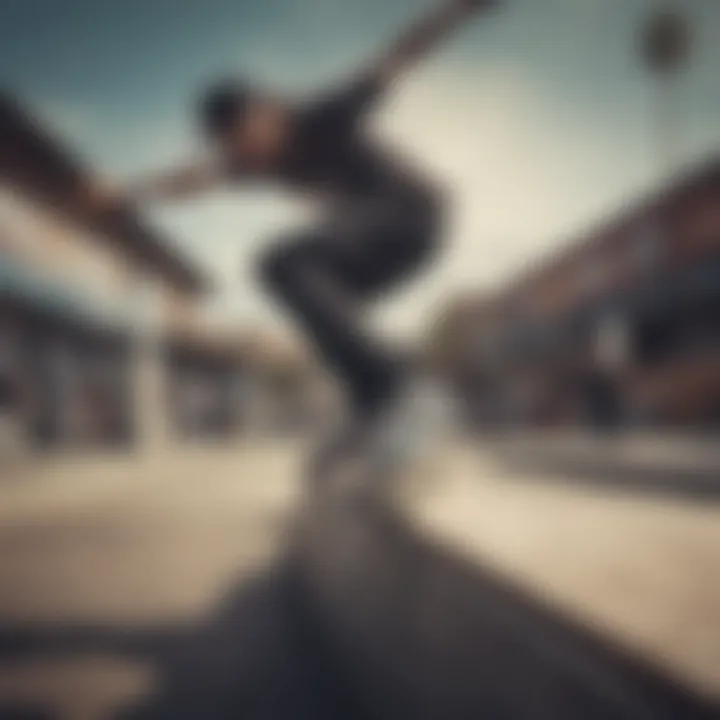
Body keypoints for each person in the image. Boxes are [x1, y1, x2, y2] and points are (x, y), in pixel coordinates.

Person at [86, 0, 499, 475]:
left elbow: (397, 56)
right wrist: (126, 195)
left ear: (269, 111)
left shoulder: (324, 115)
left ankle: (406, 396)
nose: (247, 154)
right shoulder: (252, 164)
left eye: (247, 137)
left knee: (283, 262)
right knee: (314, 302)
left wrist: (458, 11)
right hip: (383, 248)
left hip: (412, 211)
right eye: (234, 147)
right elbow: (191, 181)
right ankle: (372, 409)